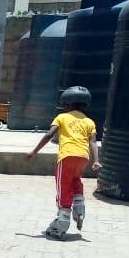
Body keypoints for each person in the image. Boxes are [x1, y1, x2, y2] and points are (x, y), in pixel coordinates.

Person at [26, 85, 101, 239]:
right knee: (75, 181)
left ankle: (63, 220)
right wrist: (96, 161)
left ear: (67, 104)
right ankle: (79, 208)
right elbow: (93, 142)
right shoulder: (89, 122)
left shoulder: (61, 117)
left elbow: (49, 135)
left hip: (66, 156)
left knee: (63, 187)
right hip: (83, 157)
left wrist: (34, 151)